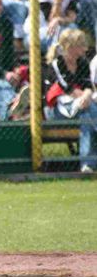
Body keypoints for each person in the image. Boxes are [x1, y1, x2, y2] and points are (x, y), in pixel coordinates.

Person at [45, 29, 97, 173]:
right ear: (70, 46)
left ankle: (87, 165)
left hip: (82, 106)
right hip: (55, 110)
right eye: (81, 45)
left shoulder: (82, 63)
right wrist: (86, 97)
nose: (85, 48)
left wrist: (86, 96)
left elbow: (88, 87)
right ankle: (88, 164)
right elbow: (67, 88)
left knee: (86, 117)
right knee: (90, 109)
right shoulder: (57, 64)